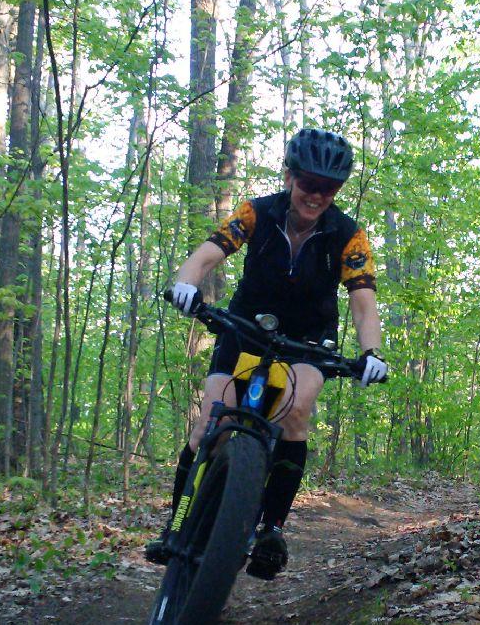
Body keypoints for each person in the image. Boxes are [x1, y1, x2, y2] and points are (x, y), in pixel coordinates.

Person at [147, 128, 387, 578]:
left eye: (329, 188)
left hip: (310, 338)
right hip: (246, 326)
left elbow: (362, 299)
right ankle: (175, 526)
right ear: (290, 176)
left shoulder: (348, 235)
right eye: (308, 184)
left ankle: (271, 527)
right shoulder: (257, 212)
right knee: (210, 425)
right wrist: (186, 282)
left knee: (297, 410)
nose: (316, 196)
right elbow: (209, 253)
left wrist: (371, 352)